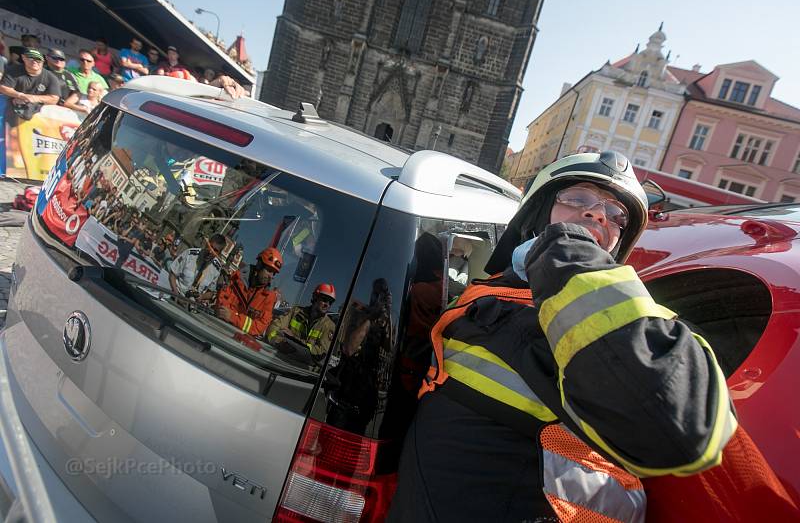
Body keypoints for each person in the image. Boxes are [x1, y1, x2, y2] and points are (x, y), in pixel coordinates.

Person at [387, 151, 737, 522]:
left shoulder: (595, 320)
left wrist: (565, 250)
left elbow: (680, 424)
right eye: (578, 199)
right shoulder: (494, 297)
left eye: (618, 216)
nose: (599, 214)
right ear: (536, 215)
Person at [217, 247, 282, 337]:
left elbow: (260, 327)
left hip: (243, 344)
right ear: (259, 265)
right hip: (218, 330)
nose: (271, 276)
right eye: (269, 270)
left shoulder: (269, 296)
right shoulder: (236, 279)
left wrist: (233, 317)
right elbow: (222, 309)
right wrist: (245, 322)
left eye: (273, 273)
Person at [267, 283, 337, 363]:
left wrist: (293, 339)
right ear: (315, 297)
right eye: (324, 300)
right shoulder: (295, 312)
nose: (327, 305)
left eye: (330, 302)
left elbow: (320, 353)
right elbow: (273, 328)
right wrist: (279, 342)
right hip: (280, 360)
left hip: (304, 369)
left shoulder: (329, 326)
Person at [0, 49, 60, 124]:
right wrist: (21, 95)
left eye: (38, 60)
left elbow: (54, 98)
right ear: (23, 58)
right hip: (8, 107)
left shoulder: (51, 77)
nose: (34, 61)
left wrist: (33, 99)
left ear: (43, 62)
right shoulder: (13, 69)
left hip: (36, 113)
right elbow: (3, 88)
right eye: (31, 58)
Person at [169, 234, 226, 301]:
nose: (210, 251)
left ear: (219, 253)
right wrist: (176, 295)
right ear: (206, 244)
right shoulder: (190, 254)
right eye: (210, 246)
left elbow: (211, 292)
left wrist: (202, 297)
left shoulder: (216, 269)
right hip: (175, 295)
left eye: (215, 250)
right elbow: (172, 274)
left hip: (191, 305)